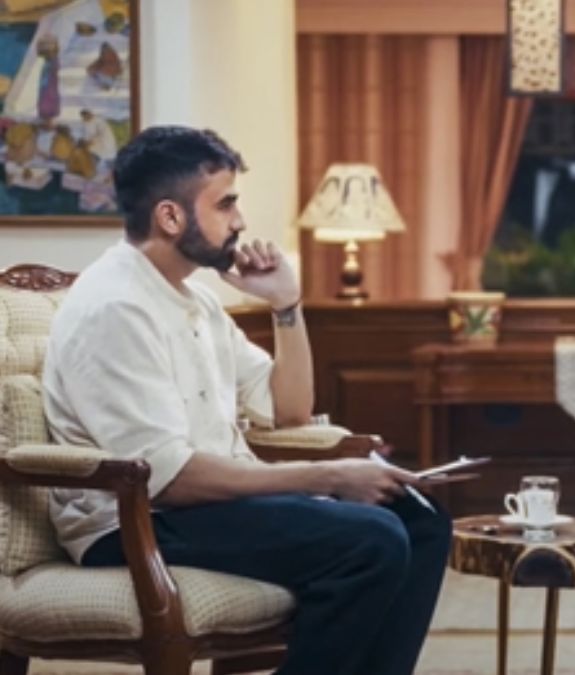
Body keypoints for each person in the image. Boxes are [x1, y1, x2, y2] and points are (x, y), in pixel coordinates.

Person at [42, 126, 451, 675]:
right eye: (226, 203)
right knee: (371, 540)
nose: (240, 220)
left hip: (200, 507)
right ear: (170, 217)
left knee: (421, 518)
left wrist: (286, 305)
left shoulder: (197, 301)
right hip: (132, 523)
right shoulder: (116, 307)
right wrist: (328, 476)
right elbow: (166, 478)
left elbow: (289, 411)